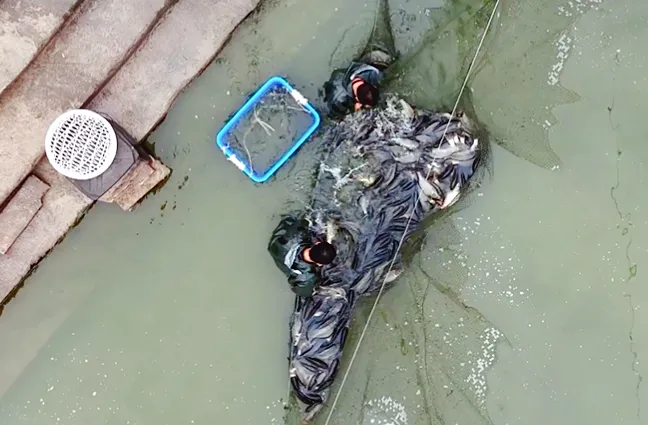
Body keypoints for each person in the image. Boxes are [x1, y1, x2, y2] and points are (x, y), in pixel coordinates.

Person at [267, 214, 337, 297]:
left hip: (275, 245)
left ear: (317, 243)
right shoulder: (307, 277)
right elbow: (303, 292)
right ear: (319, 264)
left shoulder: (300, 231)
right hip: (280, 260)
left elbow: (300, 220)